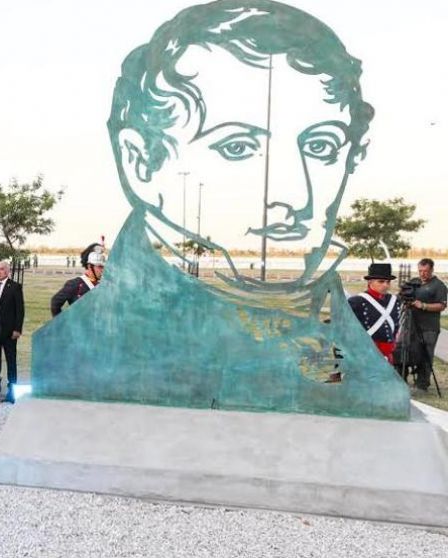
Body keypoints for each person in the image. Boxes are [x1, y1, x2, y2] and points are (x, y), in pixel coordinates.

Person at [32, 0, 409, 420]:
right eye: (238, 147)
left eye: (320, 146)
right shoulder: (85, 342)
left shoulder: (334, 333)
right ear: (141, 162)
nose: (291, 195)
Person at [345, 263, 400, 382]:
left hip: (387, 352)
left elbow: (395, 326)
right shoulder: (357, 301)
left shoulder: (394, 301)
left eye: (388, 282)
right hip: (366, 352)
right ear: (370, 282)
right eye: (381, 281)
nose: (385, 285)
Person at [0, 261, 25, 402]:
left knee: (11, 360)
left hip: (9, 332)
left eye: (2, 269)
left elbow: (20, 310)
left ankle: (12, 388)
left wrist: (17, 329)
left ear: (7, 271)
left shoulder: (15, 287)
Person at [408, 258, 447, 393]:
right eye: (420, 271)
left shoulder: (439, 285)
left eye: (425, 271)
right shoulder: (414, 282)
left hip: (429, 328)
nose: (422, 274)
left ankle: (422, 384)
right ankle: (405, 379)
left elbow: (441, 306)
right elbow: (403, 295)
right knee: (412, 352)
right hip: (411, 324)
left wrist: (423, 305)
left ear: (432, 270)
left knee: (426, 355)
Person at [50, 243, 105, 316]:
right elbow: (55, 302)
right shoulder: (75, 284)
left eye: (103, 267)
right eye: (99, 267)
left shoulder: (102, 286)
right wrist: (62, 323)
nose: (102, 270)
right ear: (89, 266)